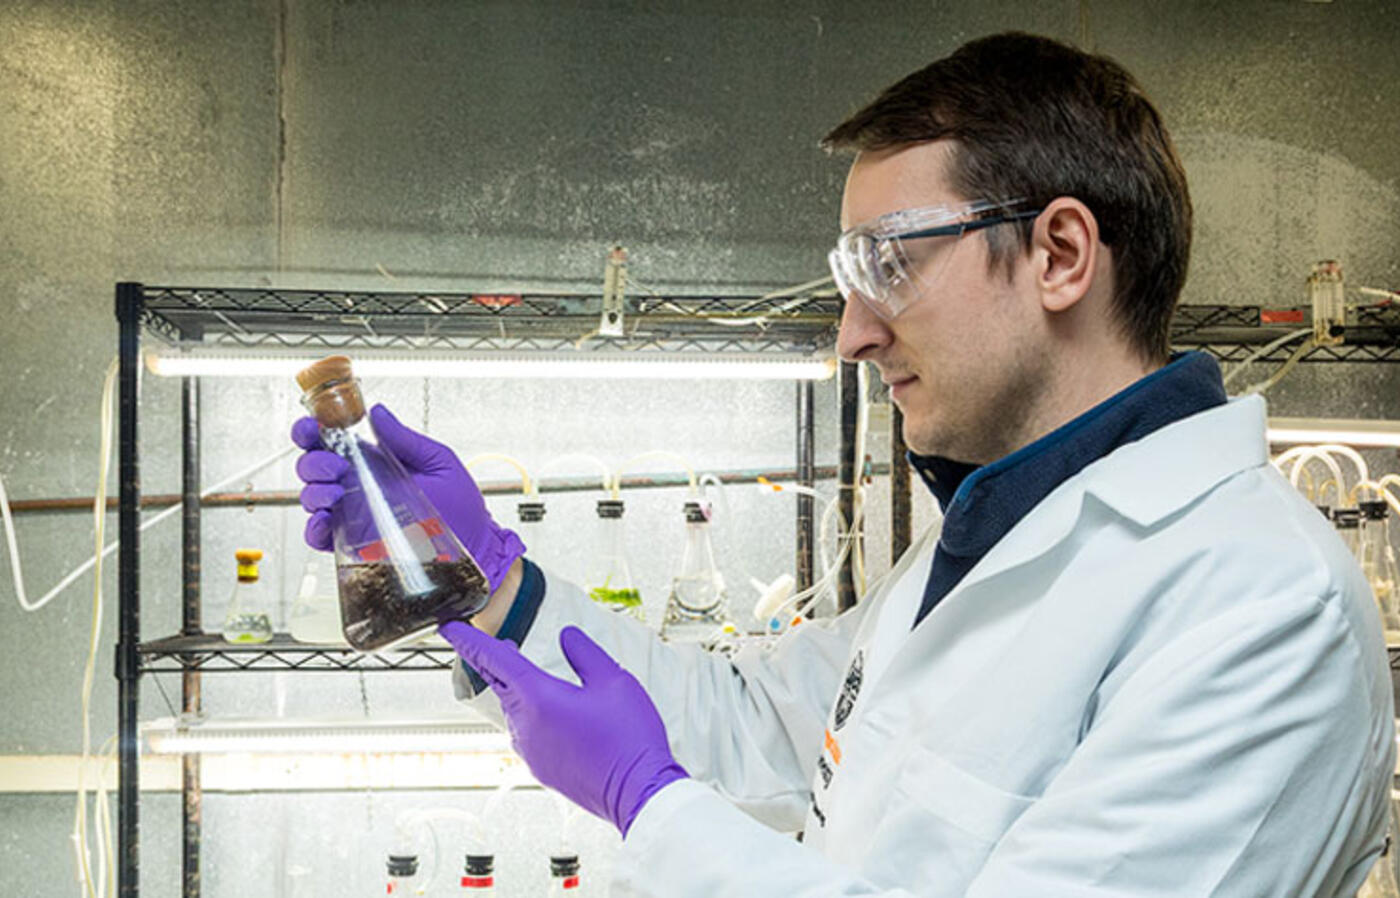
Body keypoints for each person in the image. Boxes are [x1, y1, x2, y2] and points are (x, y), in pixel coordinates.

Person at [293, 32, 1395, 897]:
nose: (850, 332)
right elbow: (750, 721)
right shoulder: (979, 551)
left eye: (887, 264)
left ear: (1058, 253)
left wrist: (651, 806)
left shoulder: (1257, 607)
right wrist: (483, 579)